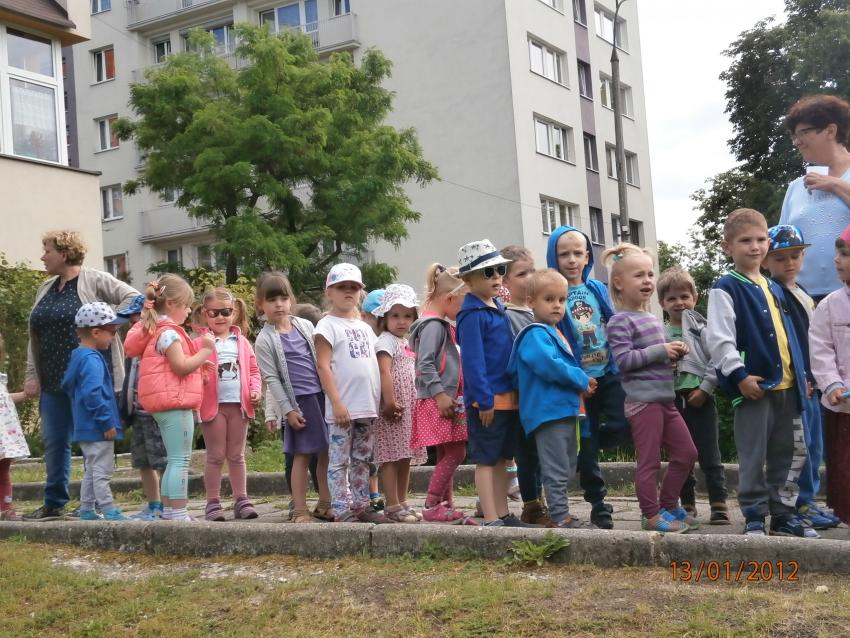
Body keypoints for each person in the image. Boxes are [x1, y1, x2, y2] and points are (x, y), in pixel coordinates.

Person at [706, 208, 817, 538]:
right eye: (745, 241)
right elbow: (719, 338)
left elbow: (793, 336)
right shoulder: (726, 287)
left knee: (792, 452)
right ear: (727, 247)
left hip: (790, 388)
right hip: (754, 387)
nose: (754, 247)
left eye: (760, 239)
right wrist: (738, 375)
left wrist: (805, 375)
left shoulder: (775, 287)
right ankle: (754, 514)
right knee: (753, 454)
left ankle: (784, 514)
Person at [23, 230, 138, 521]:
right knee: (54, 441)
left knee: (94, 443)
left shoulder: (94, 279)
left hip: (89, 379)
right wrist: (31, 374)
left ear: (64, 254)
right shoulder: (45, 288)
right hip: (53, 378)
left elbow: (134, 298)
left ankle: (92, 503)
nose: (42, 257)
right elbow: (35, 334)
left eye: (47, 251)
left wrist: (111, 323)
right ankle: (54, 502)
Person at [604, 245, 698, 534]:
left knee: (687, 453)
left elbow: (652, 358)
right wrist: (661, 351)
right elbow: (624, 361)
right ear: (619, 283)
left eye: (649, 274)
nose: (647, 280)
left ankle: (668, 505)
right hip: (643, 403)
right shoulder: (619, 321)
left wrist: (672, 356)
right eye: (638, 275)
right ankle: (650, 515)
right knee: (650, 462)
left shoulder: (652, 318)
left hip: (665, 400)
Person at [763, 225, 840, 529]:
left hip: (815, 379)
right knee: (800, 445)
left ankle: (809, 500)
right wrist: (803, 374)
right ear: (766, 261)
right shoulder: (774, 293)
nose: (789, 263)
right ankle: (799, 502)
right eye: (780, 258)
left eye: (795, 255)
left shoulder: (803, 292)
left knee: (815, 444)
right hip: (798, 381)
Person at [546, 225, 623, 529]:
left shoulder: (597, 289)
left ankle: (593, 444)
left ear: (588, 256)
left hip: (607, 372)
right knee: (587, 449)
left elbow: (613, 321)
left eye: (578, 253)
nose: (571, 260)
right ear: (553, 257)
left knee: (623, 423)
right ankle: (599, 504)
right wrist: (575, 377)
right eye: (564, 254)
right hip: (578, 382)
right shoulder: (555, 295)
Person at [508, 269, 597, 528]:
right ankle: (561, 517)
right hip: (548, 412)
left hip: (563, 410)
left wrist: (581, 384)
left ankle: (561, 512)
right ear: (531, 301)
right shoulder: (535, 334)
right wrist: (581, 379)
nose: (557, 305)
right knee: (556, 467)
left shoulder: (553, 332)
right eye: (549, 299)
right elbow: (551, 365)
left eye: (562, 299)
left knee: (567, 464)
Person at [456, 239, 535, 528]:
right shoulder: (471, 314)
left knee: (503, 457)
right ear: (468, 279)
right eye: (487, 272)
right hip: (487, 401)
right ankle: (490, 517)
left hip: (507, 397)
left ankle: (503, 513)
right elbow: (473, 361)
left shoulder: (497, 307)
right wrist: (483, 399)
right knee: (487, 459)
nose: (496, 277)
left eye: (499, 270)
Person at [124, 274, 214, 522]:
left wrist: (199, 364)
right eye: (186, 306)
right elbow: (181, 367)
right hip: (176, 404)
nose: (188, 311)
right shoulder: (170, 334)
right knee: (179, 460)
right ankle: (179, 513)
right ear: (172, 303)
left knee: (173, 459)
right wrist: (206, 350)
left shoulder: (155, 331)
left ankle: (168, 511)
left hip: (161, 405)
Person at [255, 272, 332, 524]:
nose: (279, 304)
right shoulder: (265, 339)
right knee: (301, 455)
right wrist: (288, 410)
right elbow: (272, 379)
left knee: (326, 452)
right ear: (260, 304)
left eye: (283, 298)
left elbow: (320, 360)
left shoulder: (305, 326)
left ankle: (325, 503)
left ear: (291, 300)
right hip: (298, 403)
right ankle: (299, 509)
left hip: (319, 397)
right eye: (272, 300)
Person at [656, 267, 730, 525]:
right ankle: (686, 502)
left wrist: (705, 388)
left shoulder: (704, 329)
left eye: (684, 296)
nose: (679, 303)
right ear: (662, 303)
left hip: (701, 397)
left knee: (710, 454)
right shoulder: (660, 334)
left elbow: (716, 359)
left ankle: (719, 503)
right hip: (673, 400)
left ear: (695, 298)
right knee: (681, 454)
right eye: (672, 298)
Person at [314, 264, 385, 523]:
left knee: (363, 458)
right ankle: (341, 507)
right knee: (339, 460)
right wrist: (336, 402)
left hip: (367, 405)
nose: (348, 292)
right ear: (329, 292)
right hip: (343, 406)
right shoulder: (326, 326)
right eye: (341, 287)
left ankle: (361, 504)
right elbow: (323, 366)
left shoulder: (365, 328)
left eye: (353, 288)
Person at [410, 264, 472, 524]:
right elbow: (424, 363)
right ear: (449, 299)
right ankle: (432, 503)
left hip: (442, 398)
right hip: (439, 399)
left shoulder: (437, 324)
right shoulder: (434, 326)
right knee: (457, 453)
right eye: (462, 305)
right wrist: (440, 395)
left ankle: (445, 505)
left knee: (448, 453)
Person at [195, 287, 261, 522]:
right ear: (205, 314)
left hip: (239, 406)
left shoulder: (242, 342)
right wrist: (201, 378)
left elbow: (253, 370)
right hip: (213, 407)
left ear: (234, 313)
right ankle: (212, 502)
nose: (220, 317)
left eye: (226, 311)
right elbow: (192, 370)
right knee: (215, 456)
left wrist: (255, 390)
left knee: (236, 455)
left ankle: (241, 499)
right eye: (214, 313)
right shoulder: (200, 342)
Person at [61, 303, 129, 521]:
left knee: (92, 469)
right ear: (96, 332)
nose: (113, 337)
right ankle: (108, 509)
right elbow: (93, 394)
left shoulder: (78, 356)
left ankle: (87, 509)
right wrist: (106, 421)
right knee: (102, 470)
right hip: (98, 427)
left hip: (85, 426)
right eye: (112, 332)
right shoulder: (92, 359)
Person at [499, 245, 551, 526]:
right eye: (521, 274)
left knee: (541, 452)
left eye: (533, 270)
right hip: (522, 395)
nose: (530, 277)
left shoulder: (538, 312)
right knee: (527, 452)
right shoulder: (507, 316)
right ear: (505, 281)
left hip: (543, 394)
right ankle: (531, 504)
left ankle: (540, 502)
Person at [780, 95, 850, 301]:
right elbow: (782, 244)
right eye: (794, 136)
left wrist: (835, 184)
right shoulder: (795, 188)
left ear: (831, 131)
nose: (796, 142)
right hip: (803, 300)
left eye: (803, 132)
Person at [371, 284, 427, 523]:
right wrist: (390, 402)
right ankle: (392, 504)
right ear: (385, 317)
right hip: (392, 409)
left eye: (407, 316)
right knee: (391, 456)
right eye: (395, 315)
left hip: (408, 407)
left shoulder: (405, 342)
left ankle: (402, 501)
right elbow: (384, 371)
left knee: (405, 455)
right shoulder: (386, 341)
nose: (401, 321)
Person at [809, 223, 850, 525]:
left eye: (845, 254)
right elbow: (820, 350)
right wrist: (831, 384)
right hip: (843, 406)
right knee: (845, 468)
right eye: (838, 253)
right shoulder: (829, 306)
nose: (836, 260)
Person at [118, 295, 167, 521]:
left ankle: (167, 504)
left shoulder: (162, 342)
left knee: (163, 461)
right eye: (131, 321)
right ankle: (153, 503)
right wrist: (125, 411)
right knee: (143, 461)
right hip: (138, 412)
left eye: (138, 319)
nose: (134, 325)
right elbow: (129, 383)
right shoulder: (133, 352)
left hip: (158, 413)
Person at [0, 332, 31, 521]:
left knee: (4, 472)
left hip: (5, 437)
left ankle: (6, 507)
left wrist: (24, 395)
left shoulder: (0, 380)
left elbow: (5, 399)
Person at [361, 288, 386, 511]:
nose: (381, 322)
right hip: (364, 403)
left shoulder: (386, 340)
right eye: (377, 317)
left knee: (376, 451)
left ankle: (374, 492)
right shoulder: (364, 338)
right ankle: (369, 492)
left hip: (380, 403)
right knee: (365, 450)